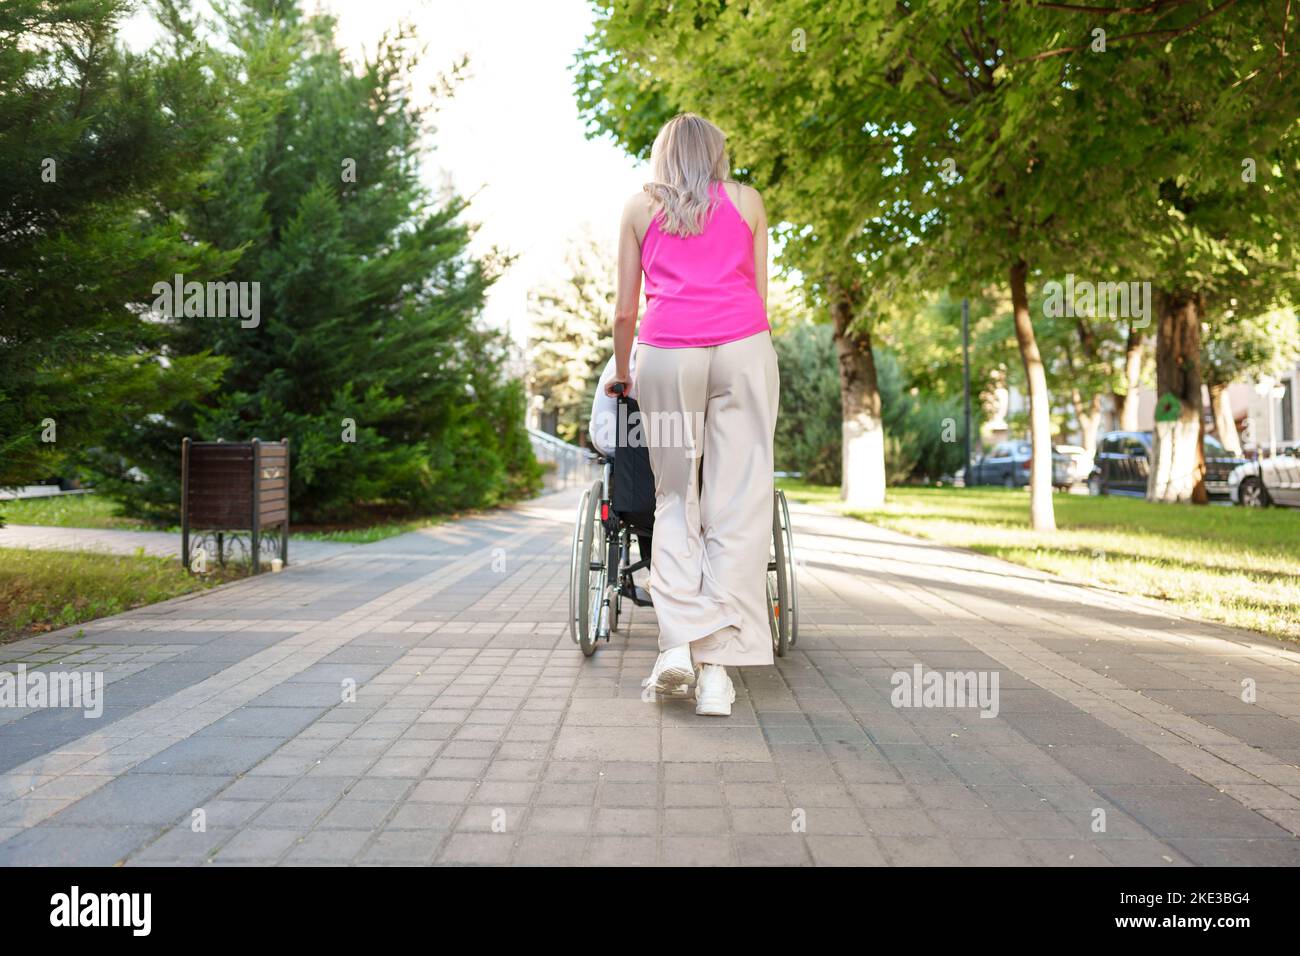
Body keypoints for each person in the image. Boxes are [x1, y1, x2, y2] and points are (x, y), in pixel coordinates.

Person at [604, 113, 780, 717]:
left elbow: (625, 312)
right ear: (718, 154)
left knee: (675, 499)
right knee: (738, 502)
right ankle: (717, 677)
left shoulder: (635, 208)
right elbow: (760, 294)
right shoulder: (749, 201)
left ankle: (678, 648)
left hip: (667, 356)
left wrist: (624, 371)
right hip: (743, 352)